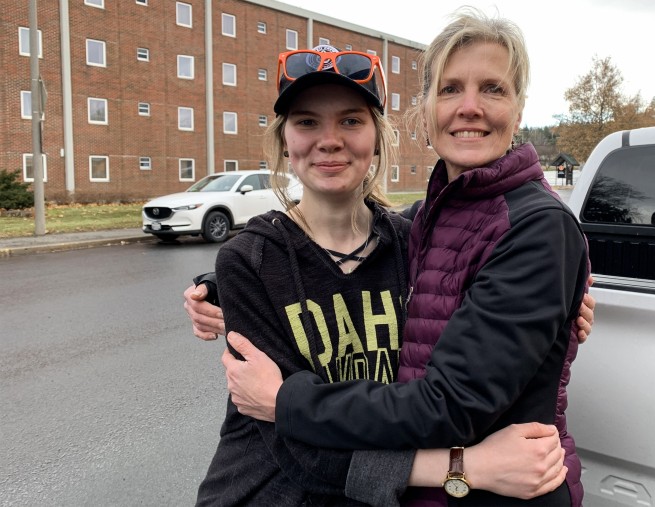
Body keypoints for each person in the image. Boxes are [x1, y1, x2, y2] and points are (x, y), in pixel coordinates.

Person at [206, 9, 592, 506]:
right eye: (306, 122)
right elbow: (297, 451)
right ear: (284, 139)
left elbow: (454, 396)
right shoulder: (253, 262)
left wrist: (565, 295)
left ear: (379, 135)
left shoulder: (408, 239)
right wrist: (215, 289)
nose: (329, 139)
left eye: (350, 120)